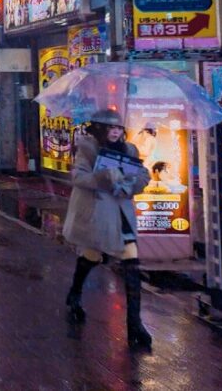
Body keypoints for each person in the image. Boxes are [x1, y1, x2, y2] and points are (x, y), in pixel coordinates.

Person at [61, 108, 153, 350]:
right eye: (110, 128)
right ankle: (75, 292)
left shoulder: (130, 150)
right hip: (99, 215)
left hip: (122, 213)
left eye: (118, 128)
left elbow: (143, 175)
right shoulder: (87, 149)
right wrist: (103, 177)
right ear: (99, 129)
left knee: (132, 264)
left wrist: (132, 184)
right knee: (92, 256)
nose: (115, 132)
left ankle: (135, 324)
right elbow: (79, 178)